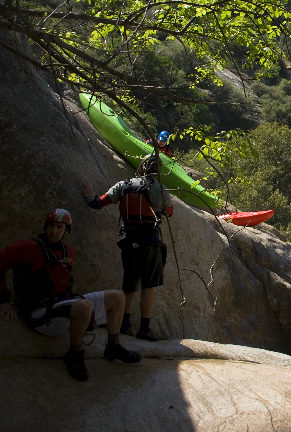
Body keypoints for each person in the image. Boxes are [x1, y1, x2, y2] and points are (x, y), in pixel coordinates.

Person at [0, 209, 141, 381]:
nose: (53, 231)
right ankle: (75, 354)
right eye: (50, 226)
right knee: (84, 306)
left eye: (59, 227)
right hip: (38, 312)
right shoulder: (28, 247)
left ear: (66, 230)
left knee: (118, 297)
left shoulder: (68, 251)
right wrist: (4, 300)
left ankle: (113, 346)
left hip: (61, 304)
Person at [83, 154, 174, 341]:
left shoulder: (122, 185)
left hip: (129, 241)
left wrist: (88, 195)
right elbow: (169, 212)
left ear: (140, 167)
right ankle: (144, 329)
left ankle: (124, 325)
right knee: (148, 285)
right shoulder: (158, 188)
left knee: (130, 285)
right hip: (150, 241)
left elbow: (98, 203)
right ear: (157, 172)